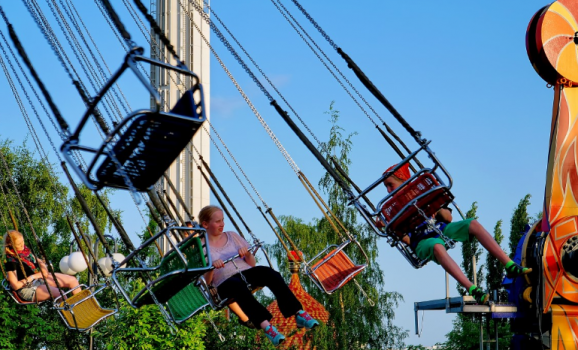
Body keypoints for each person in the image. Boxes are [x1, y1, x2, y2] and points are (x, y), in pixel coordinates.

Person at [382, 163, 531, 304]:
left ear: (404, 181)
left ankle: (509, 265)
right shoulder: (393, 209)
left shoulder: (423, 193)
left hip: (440, 229)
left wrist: (434, 207)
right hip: (422, 241)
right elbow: (407, 240)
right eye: (386, 187)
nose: (389, 190)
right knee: (437, 246)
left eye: (390, 185)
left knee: (473, 224)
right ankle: (472, 289)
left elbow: (448, 218)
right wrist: (392, 230)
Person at [200, 205, 319, 346]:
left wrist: (247, 253)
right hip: (224, 282)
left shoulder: (232, 236)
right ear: (205, 224)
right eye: (217, 221)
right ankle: (267, 327)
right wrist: (212, 267)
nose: (222, 224)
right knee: (237, 286)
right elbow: (205, 283)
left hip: (245, 271)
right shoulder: (201, 247)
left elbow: (251, 264)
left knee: (269, 273)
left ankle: (298, 313)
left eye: (223, 220)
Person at [4, 230, 80, 303]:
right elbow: (15, 286)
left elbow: (37, 260)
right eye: (19, 244)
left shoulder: (25, 251)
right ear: (11, 245)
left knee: (72, 280)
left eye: (22, 241)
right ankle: (70, 314)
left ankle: (82, 308)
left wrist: (44, 267)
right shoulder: (11, 261)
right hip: (28, 288)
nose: (22, 245)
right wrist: (35, 276)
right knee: (60, 294)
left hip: (40, 279)